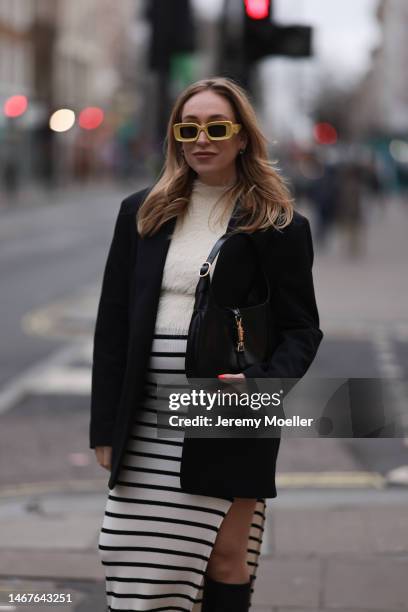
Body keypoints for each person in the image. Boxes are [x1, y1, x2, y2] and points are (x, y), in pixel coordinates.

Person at [89, 77, 323, 612]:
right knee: (129, 550)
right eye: (188, 127)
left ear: (243, 138)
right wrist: (105, 426)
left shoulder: (278, 224)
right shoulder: (142, 212)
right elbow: (114, 323)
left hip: (229, 406)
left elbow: (302, 329)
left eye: (217, 127)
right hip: (146, 410)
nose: (202, 139)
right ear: (175, 136)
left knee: (225, 556)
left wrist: (261, 385)